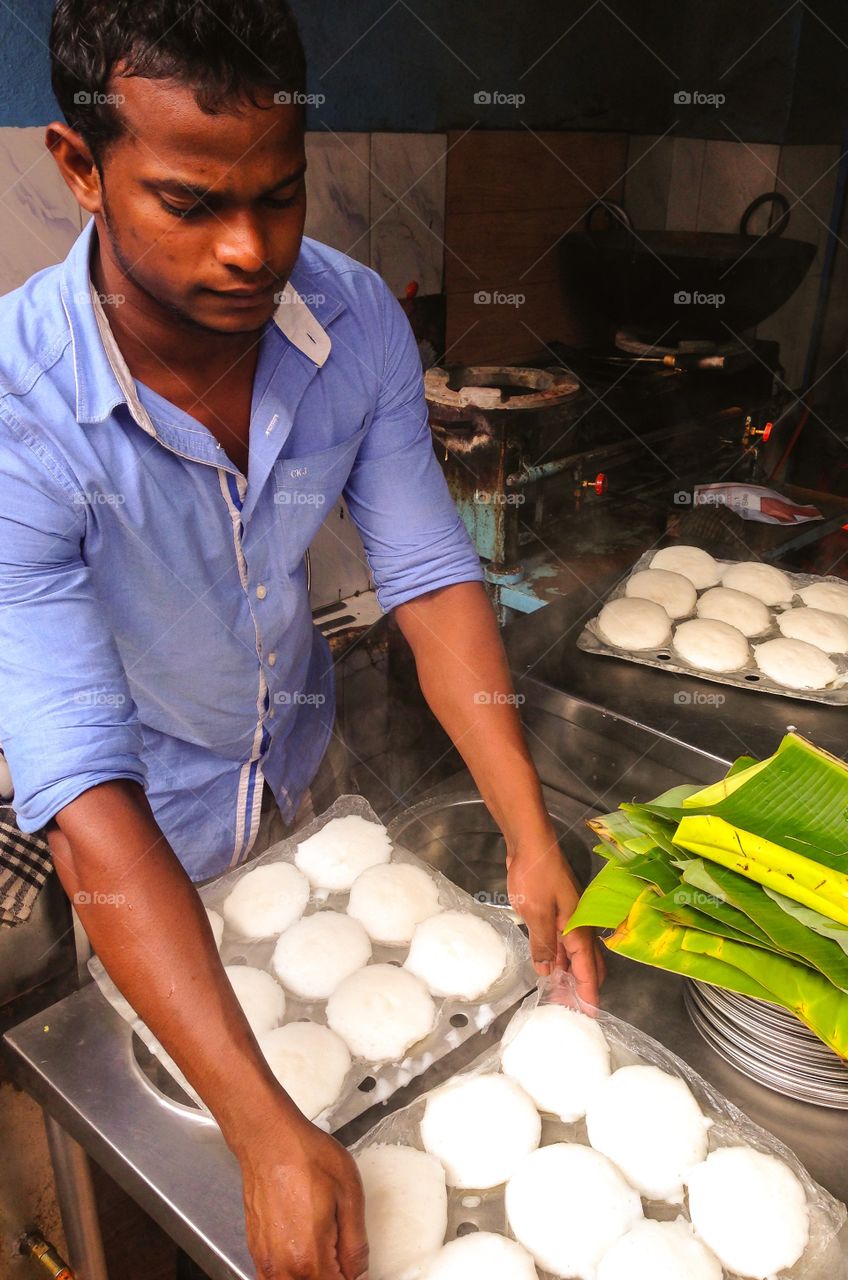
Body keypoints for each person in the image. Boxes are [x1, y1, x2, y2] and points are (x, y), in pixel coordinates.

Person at [0, 2, 603, 1276]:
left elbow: (430, 573)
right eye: (189, 203)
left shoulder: (353, 320)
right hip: (144, 834)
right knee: (193, 1175)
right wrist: (265, 1129)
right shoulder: (18, 407)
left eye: (280, 195)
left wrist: (528, 828)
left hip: (308, 784)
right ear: (77, 167)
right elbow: (74, 767)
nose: (248, 251)